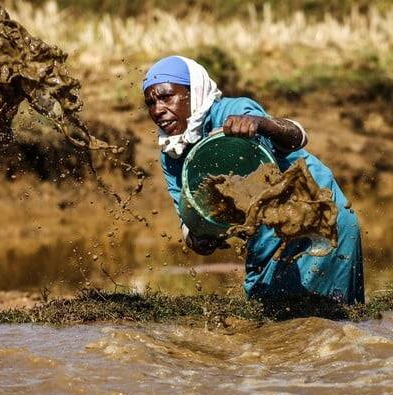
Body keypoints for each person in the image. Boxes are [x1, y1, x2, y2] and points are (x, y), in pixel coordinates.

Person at [142, 55, 364, 305]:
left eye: (165, 97)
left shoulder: (232, 111)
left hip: (321, 217)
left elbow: (298, 137)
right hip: (267, 242)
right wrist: (199, 237)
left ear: (193, 92)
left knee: (334, 325)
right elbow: (188, 217)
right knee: (280, 329)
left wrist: (260, 124)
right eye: (150, 102)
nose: (157, 110)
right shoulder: (173, 155)